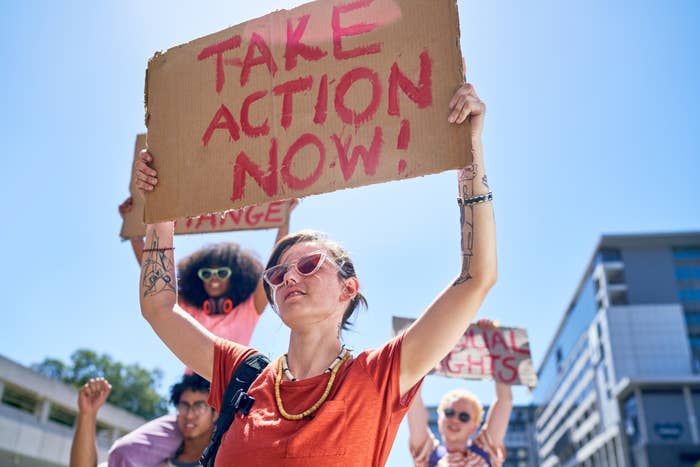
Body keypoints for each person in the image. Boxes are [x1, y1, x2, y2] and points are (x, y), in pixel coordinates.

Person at [134, 82, 495, 465]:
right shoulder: (240, 374)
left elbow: (476, 278)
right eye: (277, 275)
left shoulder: (380, 376)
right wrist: (160, 212)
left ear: (348, 289)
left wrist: (469, 153)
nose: (289, 278)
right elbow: (159, 308)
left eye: (308, 266)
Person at [111, 200, 295, 465]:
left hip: (231, 402)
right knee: (123, 452)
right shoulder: (187, 309)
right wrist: (134, 227)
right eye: (206, 273)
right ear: (198, 276)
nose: (214, 278)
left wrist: (284, 217)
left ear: (235, 277)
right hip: (192, 402)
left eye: (222, 272)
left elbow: (272, 270)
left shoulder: (247, 309)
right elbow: (154, 271)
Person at [407, 320, 513, 467]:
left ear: (474, 426)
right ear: (439, 419)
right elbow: (413, 397)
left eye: (464, 417)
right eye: (449, 413)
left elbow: (504, 401)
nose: (455, 419)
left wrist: (492, 341)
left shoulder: (486, 450)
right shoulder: (428, 454)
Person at [71, 374, 216, 467]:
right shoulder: (152, 461)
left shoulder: (223, 458)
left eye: (200, 407)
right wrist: (87, 414)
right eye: (184, 406)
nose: (190, 415)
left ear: (216, 413)